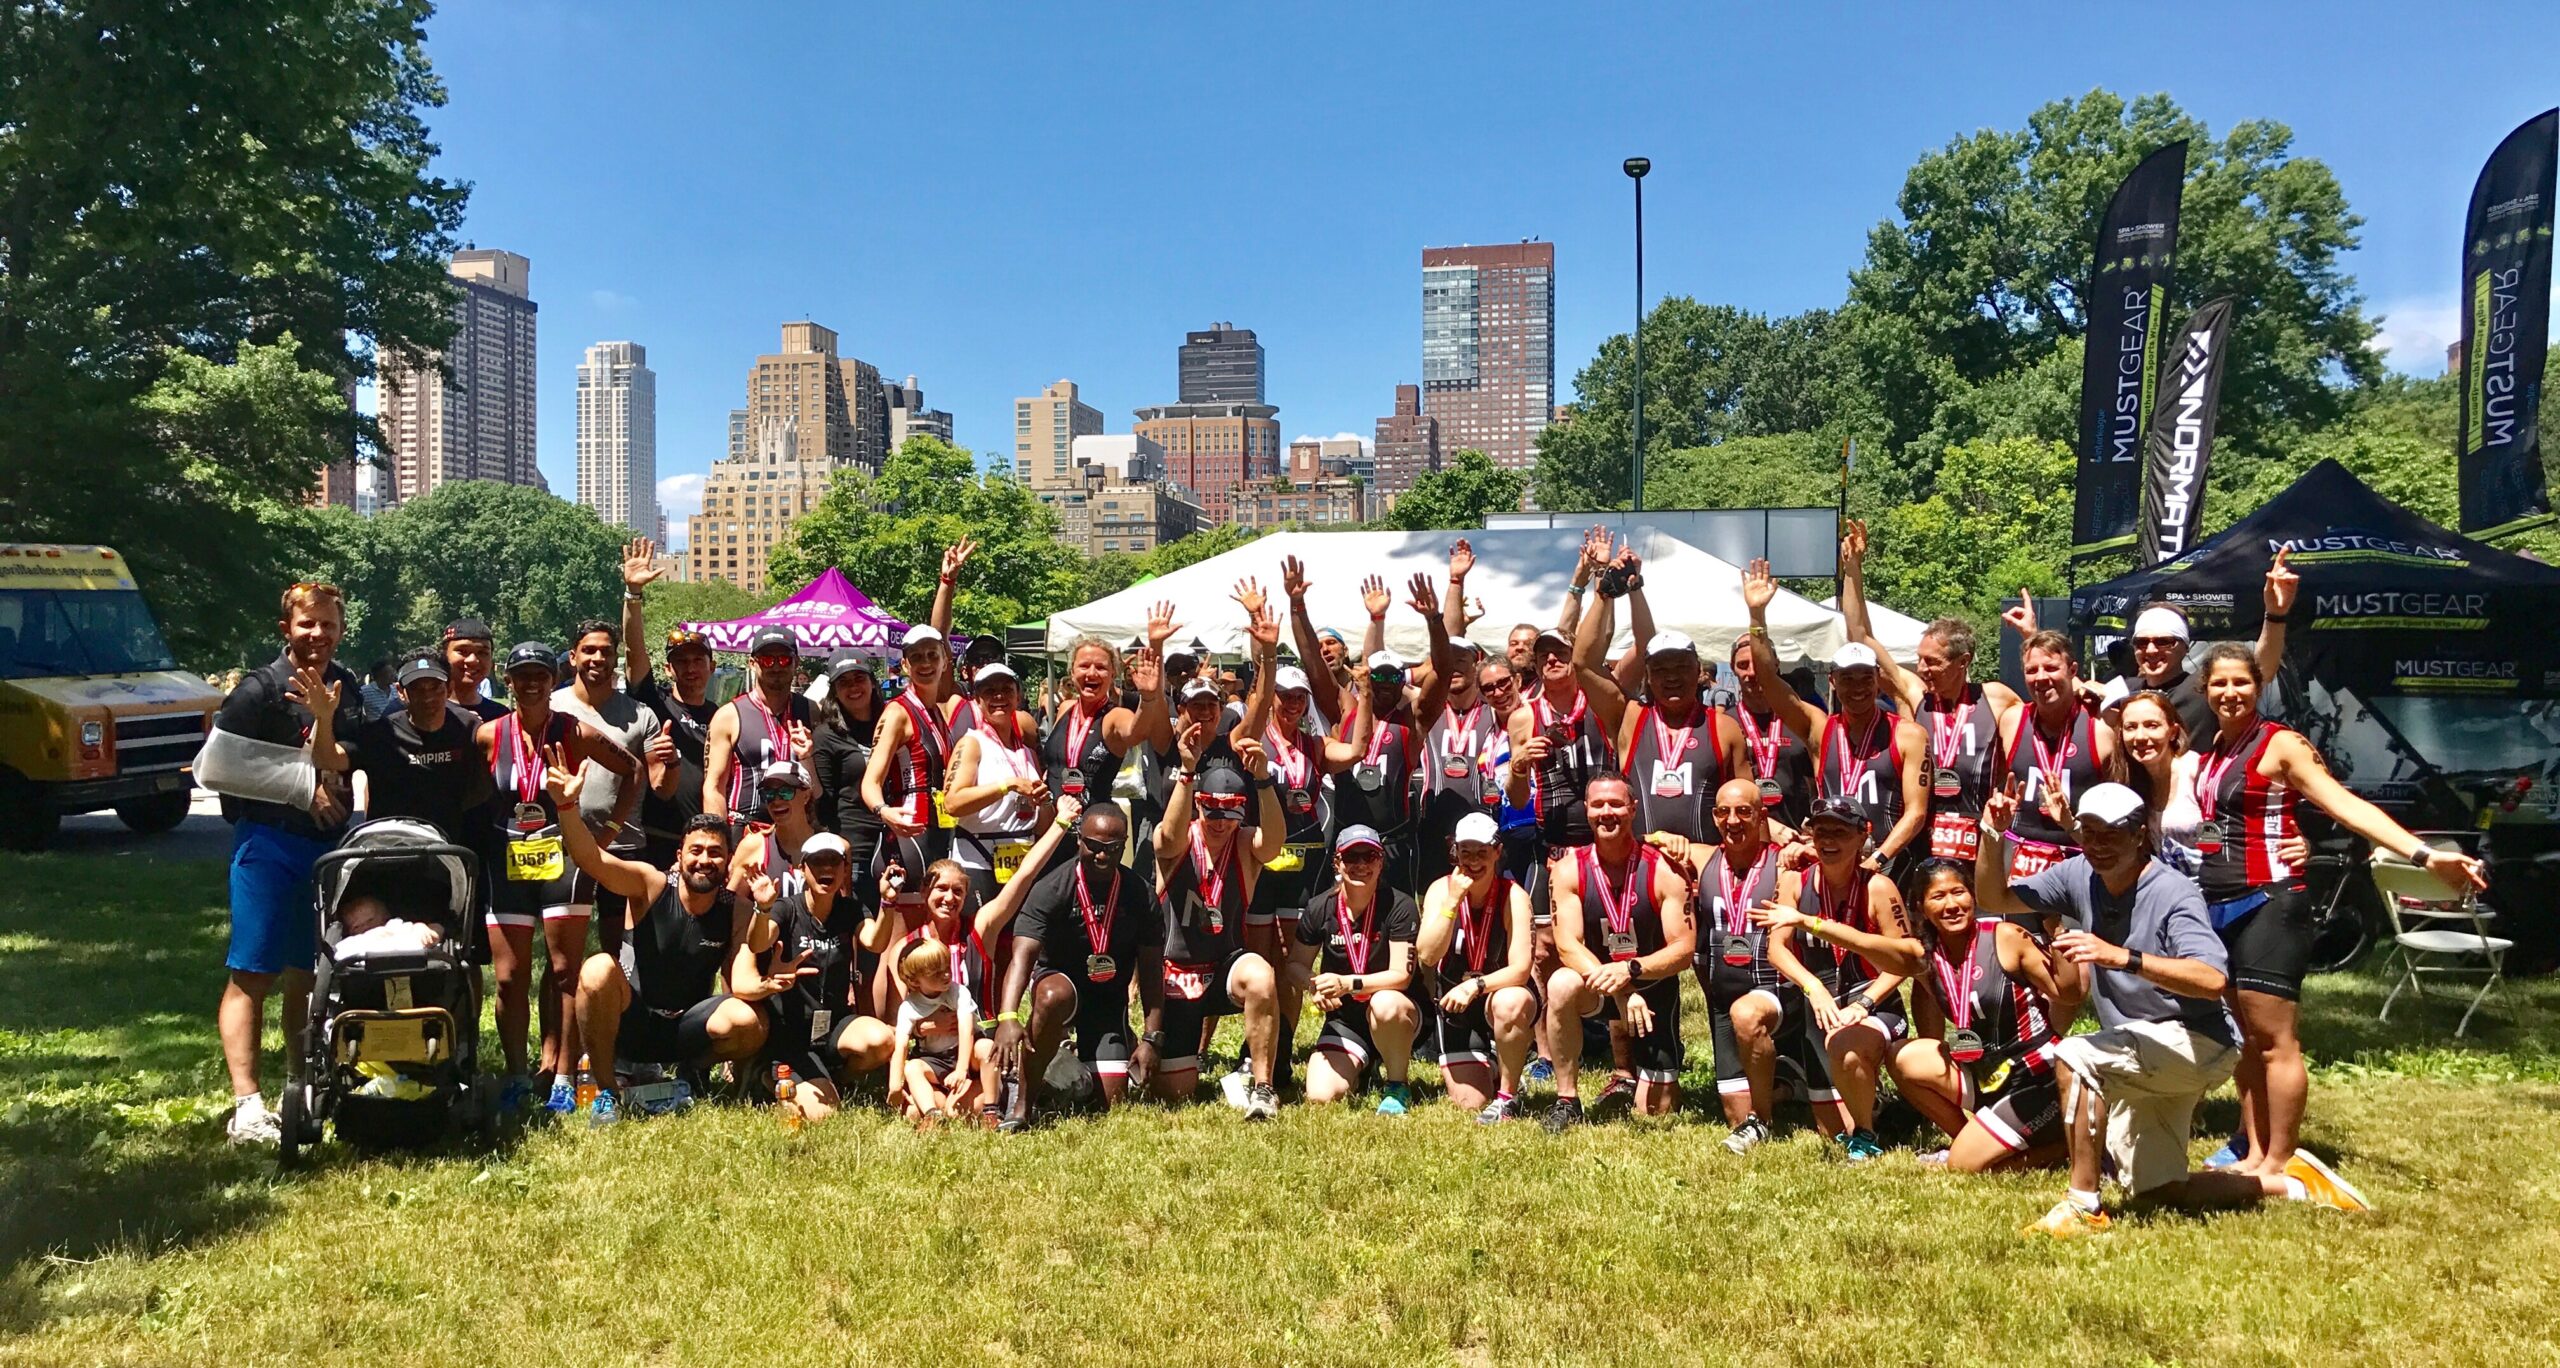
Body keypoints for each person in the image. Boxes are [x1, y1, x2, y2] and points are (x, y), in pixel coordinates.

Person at [1969, 782, 2371, 1234]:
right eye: (2088, 832)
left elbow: (2212, 979)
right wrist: (1991, 834)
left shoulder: (2174, 891)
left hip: (2198, 1042)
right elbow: (1993, 897)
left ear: (2139, 834)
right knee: (2159, 1192)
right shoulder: (2077, 873)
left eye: (2111, 833)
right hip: (2142, 1047)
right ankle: (2289, 1184)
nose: (2097, 845)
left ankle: (2083, 1205)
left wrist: (2122, 957)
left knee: (2075, 1058)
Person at [2181, 642, 2484, 1180]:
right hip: (2218, 903)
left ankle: (2280, 1160)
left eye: (2241, 683)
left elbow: (2343, 803)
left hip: (2270, 901)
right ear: (2205, 690)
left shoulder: (2281, 745)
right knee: (2246, 1038)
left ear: (2259, 686)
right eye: (2219, 684)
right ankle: (2253, 1150)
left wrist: (2423, 854)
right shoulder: (2216, 749)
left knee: (2275, 1040)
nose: (2230, 693)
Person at [196, 582, 364, 1145]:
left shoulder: (348, 686)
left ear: (341, 629)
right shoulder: (257, 691)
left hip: (325, 850)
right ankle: (247, 1105)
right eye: (307, 624)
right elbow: (213, 768)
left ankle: (303, 1084)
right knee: (253, 972)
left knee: (308, 974)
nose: (318, 634)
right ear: (285, 628)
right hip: (266, 845)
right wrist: (299, 789)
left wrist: (323, 718)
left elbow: (340, 759)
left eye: (329, 625)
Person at [550, 765, 770, 1128]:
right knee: (597, 969)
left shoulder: (737, 910)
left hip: (687, 1028)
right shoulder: (649, 885)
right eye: (696, 850)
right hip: (632, 1021)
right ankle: (608, 1089)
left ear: (728, 859)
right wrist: (567, 808)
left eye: (715, 853)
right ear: (680, 854)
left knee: (749, 1022)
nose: (704, 860)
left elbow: (739, 976)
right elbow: (591, 860)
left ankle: (693, 1071)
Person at [474, 642, 638, 1106]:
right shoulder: (488, 735)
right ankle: (516, 1076)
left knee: (565, 970)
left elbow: (633, 770)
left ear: (554, 681)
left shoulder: (574, 730)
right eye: (522, 676)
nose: (531, 684)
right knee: (509, 978)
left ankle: (564, 1077)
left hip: (562, 859)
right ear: (509, 681)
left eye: (540, 676)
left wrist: (603, 834)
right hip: (507, 860)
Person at [1876, 861, 2079, 1173]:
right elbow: (1867, 944)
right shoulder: (1930, 954)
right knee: (1905, 1056)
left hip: (2034, 1076)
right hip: (1985, 1071)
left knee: (1963, 1166)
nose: (1952, 904)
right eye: (1938, 896)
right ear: (1921, 907)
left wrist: (2055, 924)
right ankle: (1970, 1140)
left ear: (1974, 895)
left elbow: (2069, 993)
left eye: (1959, 892)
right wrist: (1809, 923)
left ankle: (2065, 1148)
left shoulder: (2006, 936)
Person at [1837, 520, 2016, 868]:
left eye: (1932, 662)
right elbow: (1859, 635)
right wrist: (1853, 570)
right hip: (1922, 846)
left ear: (1962, 661)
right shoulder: (1916, 695)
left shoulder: (1996, 698)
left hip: (1978, 845)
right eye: (1919, 659)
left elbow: (2044, 712)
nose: (1921, 669)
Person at [1742, 558, 1929, 881]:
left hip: (1887, 864)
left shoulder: (1908, 735)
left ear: (1876, 680)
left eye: (1864, 679)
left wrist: (1878, 860)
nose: (1857, 688)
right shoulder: (1820, 728)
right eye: (1848, 679)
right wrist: (1757, 616)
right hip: (1828, 861)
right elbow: (1769, 680)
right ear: (1833, 681)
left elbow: (1916, 811)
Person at [1755, 796, 1920, 1161]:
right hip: (1822, 1010)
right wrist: (1813, 988)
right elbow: (1776, 949)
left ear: (1863, 836)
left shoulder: (1878, 888)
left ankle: (1865, 1135)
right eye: (1820, 831)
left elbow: (1904, 959)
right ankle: (1878, 1103)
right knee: (1828, 1130)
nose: (1828, 840)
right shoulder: (1794, 884)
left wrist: (1865, 1003)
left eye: (1840, 832)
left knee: (1848, 1050)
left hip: (1873, 1006)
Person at [991, 798, 1162, 1130]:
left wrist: (1152, 1038)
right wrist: (1009, 1017)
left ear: (1123, 846)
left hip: (1108, 999)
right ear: (1078, 840)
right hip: (1061, 986)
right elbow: (1021, 958)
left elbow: (1153, 970)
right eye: (1093, 846)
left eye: (1112, 848)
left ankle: (1070, 1059)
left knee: (1109, 1103)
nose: (1101, 855)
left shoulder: (1140, 894)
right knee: (1054, 997)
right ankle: (1022, 1105)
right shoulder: (1051, 888)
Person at [1542, 772, 1694, 1130]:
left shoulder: (1664, 869)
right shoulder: (1567, 869)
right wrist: (1622, 990)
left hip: (1651, 988)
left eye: (1615, 804)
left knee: (1655, 1112)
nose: (1606, 812)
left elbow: (1684, 949)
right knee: (1561, 983)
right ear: (1586, 810)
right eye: (1597, 805)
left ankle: (1644, 1072)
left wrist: (1631, 972)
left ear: (1633, 808)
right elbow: (1567, 945)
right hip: (1596, 983)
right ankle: (1567, 1098)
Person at [1149, 726, 1287, 1116]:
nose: (1220, 821)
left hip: (1223, 966)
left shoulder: (1244, 844)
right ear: (1199, 806)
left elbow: (1274, 844)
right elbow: (1167, 838)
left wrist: (1263, 780)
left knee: (1261, 975)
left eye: (1231, 811)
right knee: (1176, 1093)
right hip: (1174, 973)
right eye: (1211, 808)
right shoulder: (1179, 841)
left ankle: (1263, 1087)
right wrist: (1187, 773)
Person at [1692, 778, 1809, 1154]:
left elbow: (1830, 855)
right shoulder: (1700, 858)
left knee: (1747, 1015)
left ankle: (1764, 1120)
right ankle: (1788, 1081)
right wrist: (1666, 839)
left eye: (1745, 811)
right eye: (1724, 812)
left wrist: (1802, 848)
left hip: (1777, 993)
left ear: (1763, 816)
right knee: (1733, 1114)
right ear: (1713, 817)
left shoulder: (1785, 863)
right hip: (1724, 998)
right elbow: (1644, 845)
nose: (1734, 821)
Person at [750, 831, 894, 1125]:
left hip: (833, 1024)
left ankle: (835, 1079)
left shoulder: (850, 909)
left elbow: (875, 942)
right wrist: (763, 908)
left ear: (844, 869)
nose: (826, 869)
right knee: (823, 1116)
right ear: (802, 869)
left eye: (833, 861)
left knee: (881, 1040)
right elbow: (757, 943)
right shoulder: (786, 908)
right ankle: (767, 1076)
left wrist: (888, 904)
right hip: (790, 1032)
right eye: (817, 862)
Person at [2074, 548, 2296, 737]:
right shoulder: (2126, 688)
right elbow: (2068, 683)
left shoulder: (2201, 687)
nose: (2150, 650)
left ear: (2185, 646)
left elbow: (2262, 671)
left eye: (2164, 642)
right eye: (2141, 643)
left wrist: (2275, 615)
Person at [551, 616, 673, 954]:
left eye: (606, 651)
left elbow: (659, 784)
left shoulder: (640, 714)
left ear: (615, 657)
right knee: (561, 954)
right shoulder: (551, 708)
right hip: (561, 844)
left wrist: (671, 760)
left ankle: (623, 1007)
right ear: (573, 656)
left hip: (623, 843)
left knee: (622, 950)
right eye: (588, 650)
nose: (597, 659)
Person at [1289, 824, 1423, 1114]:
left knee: (1385, 1002)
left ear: (1381, 861)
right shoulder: (1319, 907)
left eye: (1369, 857)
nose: (1361, 865)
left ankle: (1397, 1084)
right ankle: (1364, 1066)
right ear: (1337, 862)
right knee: (1321, 1096)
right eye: (1352, 857)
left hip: (1397, 1013)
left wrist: (1348, 983)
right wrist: (1314, 984)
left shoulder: (1400, 906)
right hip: (1346, 1021)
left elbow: (1401, 976)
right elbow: (1295, 965)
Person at [1416, 812, 1539, 1121]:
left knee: (1512, 1001)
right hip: (1455, 1006)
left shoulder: (1514, 896)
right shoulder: (1440, 890)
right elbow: (1428, 956)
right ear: (1454, 851)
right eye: (1465, 852)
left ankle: (1508, 1096)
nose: (1473, 861)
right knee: (1469, 1101)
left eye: (1482, 852)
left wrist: (1476, 985)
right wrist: (1453, 903)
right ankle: (1497, 1062)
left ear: (1497, 852)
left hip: (1500, 995)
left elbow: (1521, 968)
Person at [619, 538, 721, 870]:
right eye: (681, 662)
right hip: (659, 839)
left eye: (697, 660)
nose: (690, 668)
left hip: (707, 844)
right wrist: (633, 595)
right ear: (668, 669)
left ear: (712, 666)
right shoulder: (653, 703)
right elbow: (634, 651)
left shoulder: (723, 717)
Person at [322, 650, 494, 841]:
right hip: (390, 847)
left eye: (435, 687)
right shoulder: (381, 733)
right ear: (401, 692)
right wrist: (323, 717)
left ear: (449, 688)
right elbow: (328, 758)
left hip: (450, 847)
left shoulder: (469, 727)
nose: (427, 697)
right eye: (416, 688)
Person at [1992, 630, 2119, 883]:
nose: (2041, 678)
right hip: (2020, 857)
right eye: (2031, 670)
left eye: (2051, 668)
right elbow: (1998, 783)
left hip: (2081, 859)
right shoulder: (2012, 720)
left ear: (2073, 671)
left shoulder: (2102, 725)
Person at [943, 661, 1054, 904]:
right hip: (978, 859)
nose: (999, 696)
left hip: (1023, 862)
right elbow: (951, 803)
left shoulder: (1026, 752)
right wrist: (1008, 785)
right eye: (989, 691)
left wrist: (1044, 803)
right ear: (977, 700)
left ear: (1018, 697)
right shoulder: (972, 743)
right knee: (980, 939)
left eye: (1006, 689)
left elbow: (1042, 826)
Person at [703, 625, 813, 826]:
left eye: (784, 659)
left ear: (796, 662)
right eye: (767, 659)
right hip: (746, 829)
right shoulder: (728, 716)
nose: (776, 666)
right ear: (753, 663)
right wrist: (719, 839)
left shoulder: (811, 711)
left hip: (798, 828)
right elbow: (714, 787)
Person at [886, 936, 990, 1126]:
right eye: (936, 973)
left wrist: (961, 1069)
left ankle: (989, 1103)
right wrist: (895, 1084)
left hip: (963, 1056)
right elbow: (901, 1047)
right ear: (915, 981)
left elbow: (966, 1031)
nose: (945, 976)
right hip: (934, 1061)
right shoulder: (910, 1007)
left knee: (956, 1112)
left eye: (946, 968)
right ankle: (932, 1114)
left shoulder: (958, 992)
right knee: (912, 1068)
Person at [1726, 632, 1816, 830]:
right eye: (1743, 665)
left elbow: (1816, 782)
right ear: (1733, 669)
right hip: (1741, 839)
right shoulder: (1725, 724)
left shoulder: (1800, 719)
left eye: (1759, 663)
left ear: (1776, 664)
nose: (1752, 672)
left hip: (1794, 841)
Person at [731, 758, 822, 900]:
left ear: (806, 795)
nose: (776, 800)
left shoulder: (830, 846)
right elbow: (730, 906)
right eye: (769, 794)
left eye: (786, 792)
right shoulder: (753, 846)